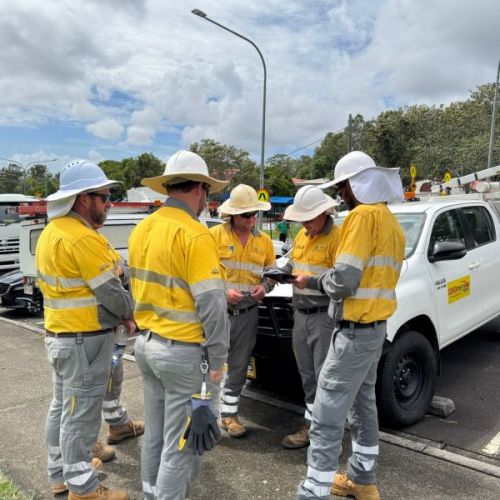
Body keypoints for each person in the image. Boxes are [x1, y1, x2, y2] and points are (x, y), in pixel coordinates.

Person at [296, 151, 405, 500]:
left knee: (328, 412)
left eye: (343, 185)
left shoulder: (361, 217)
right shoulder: (391, 221)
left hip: (355, 331)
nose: (341, 194)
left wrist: (311, 282)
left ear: (357, 183)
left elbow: (344, 280)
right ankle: (362, 479)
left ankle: (314, 490)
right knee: (362, 404)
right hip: (375, 329)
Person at [128, 150, 230, 499]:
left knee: (155, 435)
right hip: (183, 356)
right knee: (180, 446)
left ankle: (150, 493)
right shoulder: (196, 235)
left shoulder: (142, 229)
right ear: (200, 189)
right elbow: (213, 305)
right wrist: (218, 361)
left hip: (146, 346)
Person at [36, 160, 136, 499]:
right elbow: (111, 289)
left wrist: (120, 274)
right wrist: (129, 314)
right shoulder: (82, 239)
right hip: (85, 340)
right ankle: (84, 489)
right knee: (80, 417)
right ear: (83, 199)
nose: (109, 204)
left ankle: (62, 475)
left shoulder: (53, 231)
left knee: (62, 409)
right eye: (105, 197)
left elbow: (115, 271)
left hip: (60, 337)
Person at [210, 184, 276, 438]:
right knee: (210, 365)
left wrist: (264, 287)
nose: (251, 220)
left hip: (248, 314)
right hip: (218, 313)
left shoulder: (265, 242)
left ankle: (229, 415)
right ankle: (205, 415)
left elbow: (272, 275)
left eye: (254, 214)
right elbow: (202, 273)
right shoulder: (213, 236)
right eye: (245, 215)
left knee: (238, 367)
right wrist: (223, 290)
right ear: (232, 215)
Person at [279, 186, 340, 449]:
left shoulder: (338, 238)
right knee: (308, 376)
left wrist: (311, 281)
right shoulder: (303, 236)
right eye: (302, 219)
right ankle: (312, 426)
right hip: (301, 314)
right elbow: (292, 264)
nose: (306, 223)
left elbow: (342, 280)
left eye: (310, 218)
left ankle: (329, 438)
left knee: (326, 378)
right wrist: (277, 271)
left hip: (323, 317)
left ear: (325, 212)